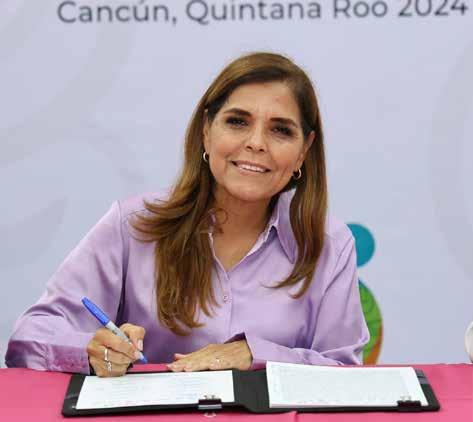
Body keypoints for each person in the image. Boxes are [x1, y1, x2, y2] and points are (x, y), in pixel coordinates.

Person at [5, 52, 369, 377]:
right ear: (206, 132)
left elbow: (344, 373)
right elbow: (28, 338)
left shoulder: (329, 244)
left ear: (304, 150)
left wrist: (253, 354)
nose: (256, 143)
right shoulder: (133, 224)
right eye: (237, 122)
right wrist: (91, 350)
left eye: (280, 130)